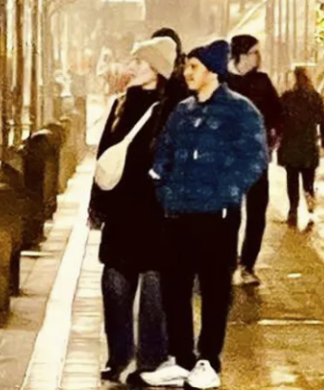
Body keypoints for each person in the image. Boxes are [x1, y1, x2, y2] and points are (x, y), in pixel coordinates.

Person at [142, 41, 267, 390]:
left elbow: (254, 158)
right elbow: (164, 150)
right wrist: (162, 183)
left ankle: (207, 361)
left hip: (217, 216)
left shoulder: (240, 111)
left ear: (212, 71)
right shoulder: (182, 111)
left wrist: (227, 191)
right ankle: (181, 358)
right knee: (175, 288)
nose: (187, 73)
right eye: (186, 67)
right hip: (178, 212)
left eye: (193, 67)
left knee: (214, 290)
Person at [89, 36, 178, 385]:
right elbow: (104, 156)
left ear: (157, 69)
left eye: (140, 63)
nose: (132, 67)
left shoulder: (172, 108)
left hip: (158, 213)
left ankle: (151, 360)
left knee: (155, 292)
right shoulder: (121, 104)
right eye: (134, 61)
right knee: (114, 286)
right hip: (122, 213)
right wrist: (98, 205)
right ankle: (119, 356)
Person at [225, 34, 282, 287]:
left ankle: (248, 264)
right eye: (254, 52)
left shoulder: (262, 82)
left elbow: (278, 114)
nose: (258, 58)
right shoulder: (223, 82)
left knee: (257, 213)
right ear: (242, 54)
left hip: (256, 158)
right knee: (230, 214)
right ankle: (226, 263)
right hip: (228, 161)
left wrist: (273, 138)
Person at [277, 66, 324, 228]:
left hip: (291, 144)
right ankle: (310, 205)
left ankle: (293, 209)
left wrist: (277, 136)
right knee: (308, 180)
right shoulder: (314, 98)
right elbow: (323, 119)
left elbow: (279, 119)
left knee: (292, 180)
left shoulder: (287, 98)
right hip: (307, 144)